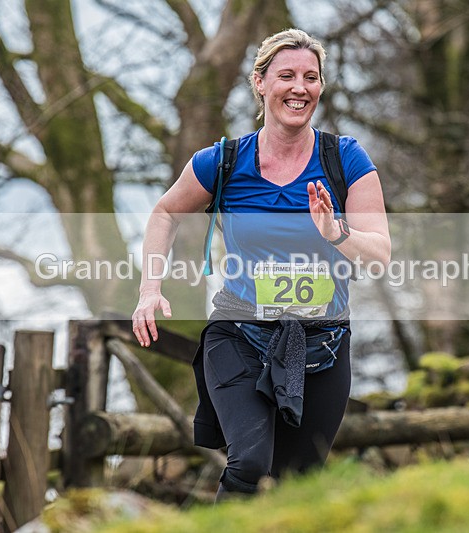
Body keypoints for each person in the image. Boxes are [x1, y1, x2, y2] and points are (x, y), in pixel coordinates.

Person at [132, 28, 390, 501]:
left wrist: (337, 233)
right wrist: (150, 288)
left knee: (299, 481)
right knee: (250, 462)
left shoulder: (345, 159)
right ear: (260, 82)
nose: (300, 87)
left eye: (311, 77)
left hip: (322, 341)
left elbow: (379, 255)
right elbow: (165, 213)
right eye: (287, 75)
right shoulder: (225, 162)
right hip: (240, 333)